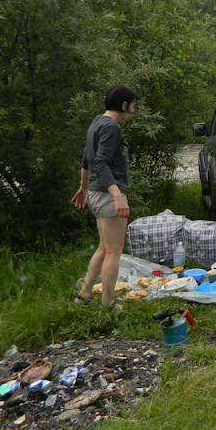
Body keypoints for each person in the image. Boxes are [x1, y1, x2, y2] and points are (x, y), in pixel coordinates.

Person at [70, 85, 139, 309]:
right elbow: (100, 162)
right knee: (113, 252)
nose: (133, 111)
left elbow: (86, 160)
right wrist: (118, 196)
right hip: (108, 195)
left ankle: (83, 296)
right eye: (133, 106)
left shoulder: (97, 122)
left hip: (95, 192)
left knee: (103, 248)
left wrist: (83, 187)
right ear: (124, 105)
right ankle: (108, 305)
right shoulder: (111, 128)